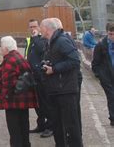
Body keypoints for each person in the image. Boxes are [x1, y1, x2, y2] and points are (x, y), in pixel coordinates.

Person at [40, 18, 82, 147]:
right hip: (55, 90)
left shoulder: (61, 41)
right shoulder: (50, 42)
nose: (40, 30)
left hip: (65, 90)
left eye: (41, 27)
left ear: (47, 29)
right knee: (57, 125)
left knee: (70, 125)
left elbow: (75, 60)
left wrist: (54, 69)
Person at [0, 36, 38, 147]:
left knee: (15, 132)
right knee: (24, 128)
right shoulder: (19, 57)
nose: (0, 50)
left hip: (13, 102)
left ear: (5, 48)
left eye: (1, 48)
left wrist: (3, 100)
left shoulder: (9, 61)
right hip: (23, 101)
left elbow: (7, 84)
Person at [25, 19, 53, 138]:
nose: (33, 29)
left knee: (46, 103)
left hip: (42, 77)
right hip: (32, 76)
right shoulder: (30, 40)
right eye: (31, 27)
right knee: (37, 103)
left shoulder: (41, 39)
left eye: (35, 26)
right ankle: (41, 124)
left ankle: (50, 126)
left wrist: (36, 38)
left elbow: (42, 50)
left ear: (39, 27)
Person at [91, 22, 114, 126]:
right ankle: (113, 118)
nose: (113, 36)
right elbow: (95, 63)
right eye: (111, 34)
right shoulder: (101, 45)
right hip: (107, 77)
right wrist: (100, 76)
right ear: (107, 33)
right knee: (111, 97)